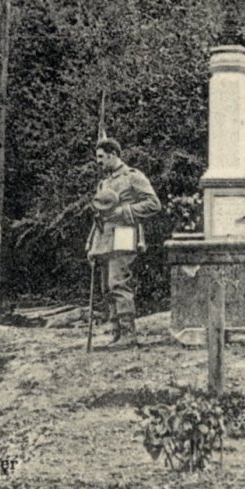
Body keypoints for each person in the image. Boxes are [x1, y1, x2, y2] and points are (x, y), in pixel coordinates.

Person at [85, 138, 161, 347]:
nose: (98, 162)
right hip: (105, 238)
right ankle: (116, 332)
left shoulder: (132, 177)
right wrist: (92, 244)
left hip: (125, 234)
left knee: (118, 283)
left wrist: (125, 211)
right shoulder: (105, 182)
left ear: (112, 154)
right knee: (106, 288)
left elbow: (154, 204)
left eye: (101, 157)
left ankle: (129, 334)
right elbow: (99, 214)